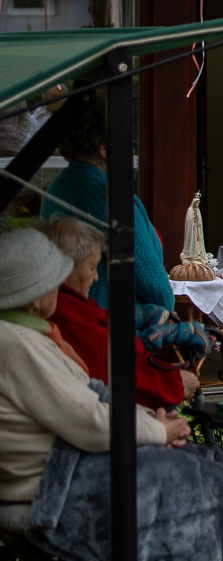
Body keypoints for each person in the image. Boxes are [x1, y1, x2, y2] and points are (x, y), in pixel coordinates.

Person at [0, 229, 185, 534]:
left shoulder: (26, 335)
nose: (59, 288)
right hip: (48, 491)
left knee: (194, 474)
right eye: (54, 281)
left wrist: (150, 420)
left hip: (56, 475)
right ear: (35, 296)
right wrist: (161, 430)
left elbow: (84, 404)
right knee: (204, 489)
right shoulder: (20, 344)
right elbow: (91, 420)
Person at [40, 92, 204, 360]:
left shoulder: (59, 186)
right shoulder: (108, 195)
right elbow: (150, 278)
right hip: (110, 330)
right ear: (104, 146)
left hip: (74, 321)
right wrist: (166, 316)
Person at [34, 217, 198, 409]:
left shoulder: (72, 307)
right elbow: (123, 372)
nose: (96, 277)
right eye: (92, 267)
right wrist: (177, 382)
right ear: (65, 267)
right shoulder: (69, 316)